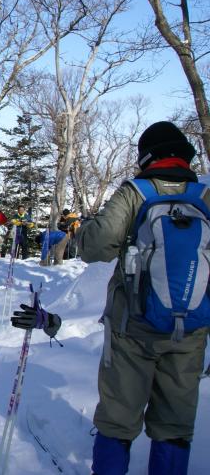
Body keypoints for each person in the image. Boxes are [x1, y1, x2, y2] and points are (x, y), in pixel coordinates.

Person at [78, 121, 208, 475]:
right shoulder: (206, 195)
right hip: (191, 329)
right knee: (175, 424)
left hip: (132, 327)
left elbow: (95, 246)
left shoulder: (135, 192)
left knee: (118, 418)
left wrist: (86, 227)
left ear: (147, 157)